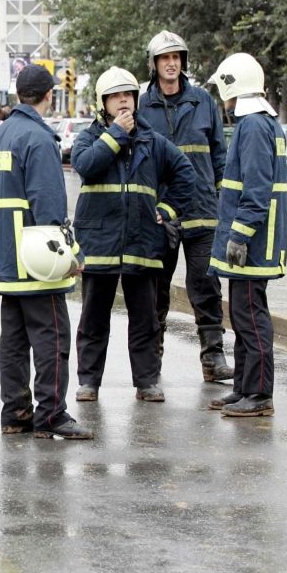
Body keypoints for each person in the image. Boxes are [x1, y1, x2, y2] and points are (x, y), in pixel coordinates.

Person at [0, 64, 93, 441]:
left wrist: (5, 230)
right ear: (49, 95)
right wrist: (72, 256)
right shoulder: (39, 140)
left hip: (7, 263)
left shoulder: (0, 135)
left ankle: (15, 415)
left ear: (20, 94)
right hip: (38, 264)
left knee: (15, 342)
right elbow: (50, 208)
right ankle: (51, 415)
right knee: (52, 338)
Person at [69, 67, 197, 404]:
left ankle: (147, 381)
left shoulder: (153, 141)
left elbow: (186, 173)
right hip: (100, 246)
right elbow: (84, 164)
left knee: (145, 320)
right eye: (116, 96)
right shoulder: (90, 136)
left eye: (128, 95)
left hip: (142, 243)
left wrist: (168, 210)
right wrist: (114, 136)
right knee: (93, 320)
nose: (123, 100)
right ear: (104, 102)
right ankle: (88, 382)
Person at [138, 30, 232, 383]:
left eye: (177, 57)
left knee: (206, 287)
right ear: (154, 64)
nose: (172, 63)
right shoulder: (142, 105)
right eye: (165, 58)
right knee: (155, 291)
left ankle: (213, 359)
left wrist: (225, 200)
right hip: (160, 213)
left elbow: (219, 156)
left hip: (202, 211)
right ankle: (151, 363)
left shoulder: (203, 101)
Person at [205, 53, 287, 418]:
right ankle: (243, 388)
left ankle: (258, 394)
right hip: (252, 245)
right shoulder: (262, 123)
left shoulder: (254, 126)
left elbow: (256, 189)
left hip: (252, 248)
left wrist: (239, 235)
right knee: (242, 317)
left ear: (232, 86)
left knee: (251, 320)